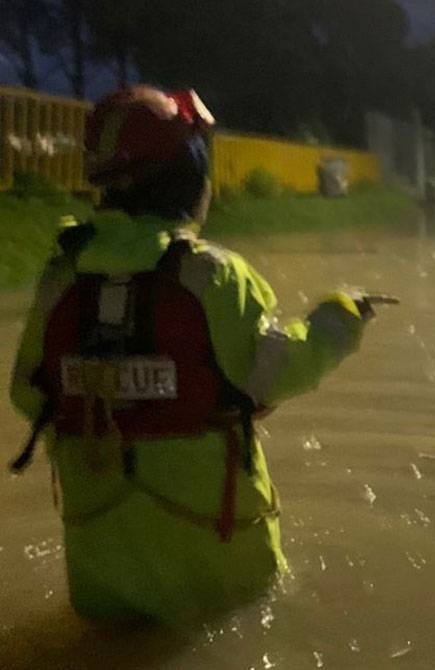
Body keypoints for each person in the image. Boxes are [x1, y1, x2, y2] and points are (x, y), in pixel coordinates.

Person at [8, 85, 374, 622]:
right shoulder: (214, 275)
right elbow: (278, 371)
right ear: (189, 174)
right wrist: (339, 319)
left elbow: (27, 392)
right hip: (218, 567)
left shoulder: (62, 274)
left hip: (102, 574)